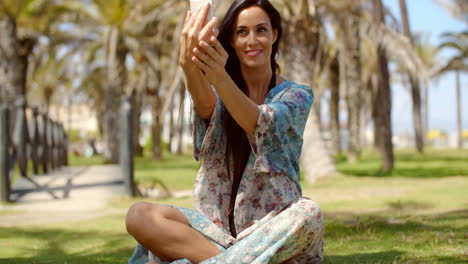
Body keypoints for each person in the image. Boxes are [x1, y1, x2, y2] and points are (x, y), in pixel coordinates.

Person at [125, 0, 324, 263]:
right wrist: (189, 67)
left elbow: (259, 122)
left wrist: (218, 75)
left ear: (274, 34)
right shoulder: (218, 91)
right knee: (139, 215)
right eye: (242, 32)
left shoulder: (297, 96)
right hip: (212, 232)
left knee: (308, 212)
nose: (252, 40)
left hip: (270, 232)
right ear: (231, 39)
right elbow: (206, 107)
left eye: (261, 30)